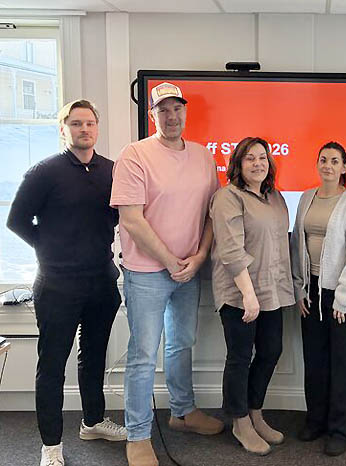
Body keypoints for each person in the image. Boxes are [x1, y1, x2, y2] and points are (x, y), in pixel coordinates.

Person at [7, 99, 126, 466]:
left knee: (94, 355)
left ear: (97, 128)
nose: (83, 129)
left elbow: (119, 216)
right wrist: (50, 247)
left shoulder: (112, 170)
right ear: (63, 129)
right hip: (56, 284)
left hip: (101, 282)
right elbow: (16, 220)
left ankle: (92, 421)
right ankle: (51, 445)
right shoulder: (44, 171)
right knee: (52, 365)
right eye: (76, 123)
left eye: (89, 123)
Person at [111, 82, 224, 466]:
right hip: (147, 272)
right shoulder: (135, 155)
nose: (172, 116)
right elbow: (131, 219)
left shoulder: (203, 156)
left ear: (185, 112)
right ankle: (138, 435)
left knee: (181, 342)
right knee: (143, 354)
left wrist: (200, 255)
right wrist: (170, 261)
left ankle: (183, 412)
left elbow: (212, 213)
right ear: (152, 115)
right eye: (163, 110)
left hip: (189, 270)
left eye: (177, 109)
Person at [209, 137, 295, 456]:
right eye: (250, 158)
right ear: (238, 164)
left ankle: (255, 411)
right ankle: (240, 421)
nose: (258, 163)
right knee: (240, 357)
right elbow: (231, 250)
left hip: (272, 290)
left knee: (271, 351)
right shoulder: (227, 197)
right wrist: (248, 294)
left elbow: (282, 244)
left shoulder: (275, 197)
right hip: (239, 294)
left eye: (262, 157)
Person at [290, 141, 346, 456]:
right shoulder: (306, 198)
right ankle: (316, 420)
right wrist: (299, 288)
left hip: (342, 294)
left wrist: (345, 298)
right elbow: (297, 244)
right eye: (323, 160)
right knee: (315, 360)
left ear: (344, 167)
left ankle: (340, 429)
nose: (328, 165)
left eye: (335, 161)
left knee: (343, 363)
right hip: (311, 291)